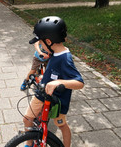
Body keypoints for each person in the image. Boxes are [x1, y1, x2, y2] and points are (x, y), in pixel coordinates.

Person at [23, 16, 84, 147]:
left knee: (61, 124)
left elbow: (79, 83)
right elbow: (53, 72)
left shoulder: (65, 59)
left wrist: (57, 83)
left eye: (41, 43)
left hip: (57, 102)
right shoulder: (55, 53)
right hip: (42, 95)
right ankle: (28, 143)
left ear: (49, 41)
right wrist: (42, 79)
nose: (40, 45)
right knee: (27, 119)